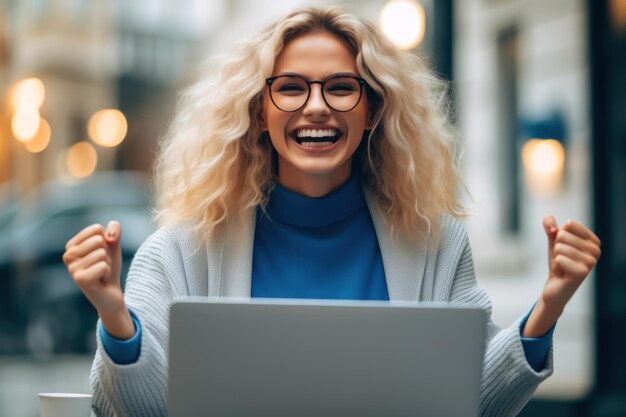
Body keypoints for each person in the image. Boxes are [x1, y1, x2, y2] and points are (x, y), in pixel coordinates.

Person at [62, 5, 601, 417]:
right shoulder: (179, 250)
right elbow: (133, 410)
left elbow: (472, 401)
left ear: (372, 111)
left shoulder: (436, 244)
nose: (316, 105)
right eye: (291, 88)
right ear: (258, 114)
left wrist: (547, 306)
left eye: (342, 88)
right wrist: (114, 314)